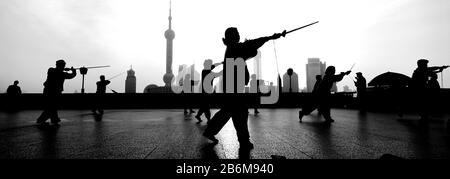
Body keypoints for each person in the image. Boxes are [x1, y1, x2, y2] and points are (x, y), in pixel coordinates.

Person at [203, 27, 284, 149]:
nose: (239, 36)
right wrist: (271, 37)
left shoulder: (231, 48)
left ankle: (212, 132)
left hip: (232, 86)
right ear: (232, 37)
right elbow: (253, 44)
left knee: (228, 111)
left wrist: (269, 38)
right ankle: (243, 141)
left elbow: (250, 46)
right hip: (234, 87)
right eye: (237, 34)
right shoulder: (235, 47)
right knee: (239, 113)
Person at [36, 59, 77, 125]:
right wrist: (73, 71)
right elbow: (71, 76)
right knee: (52, 106)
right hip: (55, 92)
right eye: (63, 65)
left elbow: (58, 71)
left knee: (52, 105)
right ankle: (42, 119)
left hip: (47, 91)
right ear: (62, 65)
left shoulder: (51, 70)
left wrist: (64, 69)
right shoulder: (61, 73)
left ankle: (54, 118)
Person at [195, 59, 222, 123]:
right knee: (206, 105)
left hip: (204, 91)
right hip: (206, 91)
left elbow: (213, 66)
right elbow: (218, 73)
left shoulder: (204, 71)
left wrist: (220, 63)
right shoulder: (208, 72)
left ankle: (199, 115)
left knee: (204, 105)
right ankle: (208, 119)